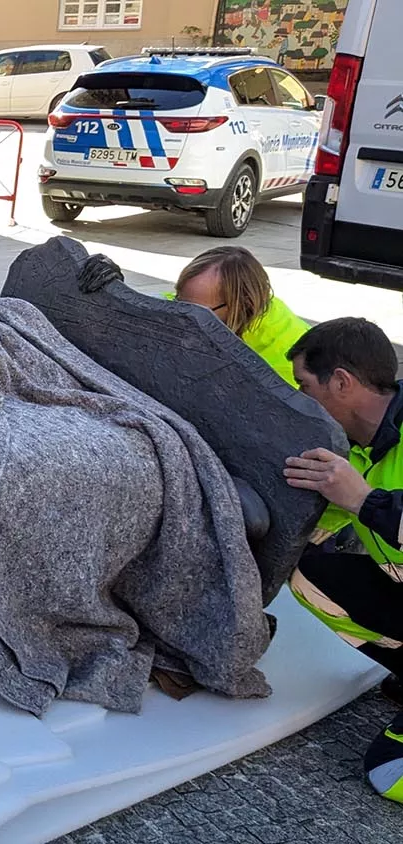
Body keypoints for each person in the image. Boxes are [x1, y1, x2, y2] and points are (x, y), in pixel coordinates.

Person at [281, 317, 403, 805]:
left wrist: (365, 501)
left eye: (304, 387)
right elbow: (312, 529)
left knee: (387, 775)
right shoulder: (355, 447)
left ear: (342, 382)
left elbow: (361, 503)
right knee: (309, 573)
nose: (300, 401)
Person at [173, 246, 310, 388]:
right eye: (179, 301)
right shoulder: (201, 300)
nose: (182, 316)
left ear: (243, 306)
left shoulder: (287, 364)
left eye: (197, 311)